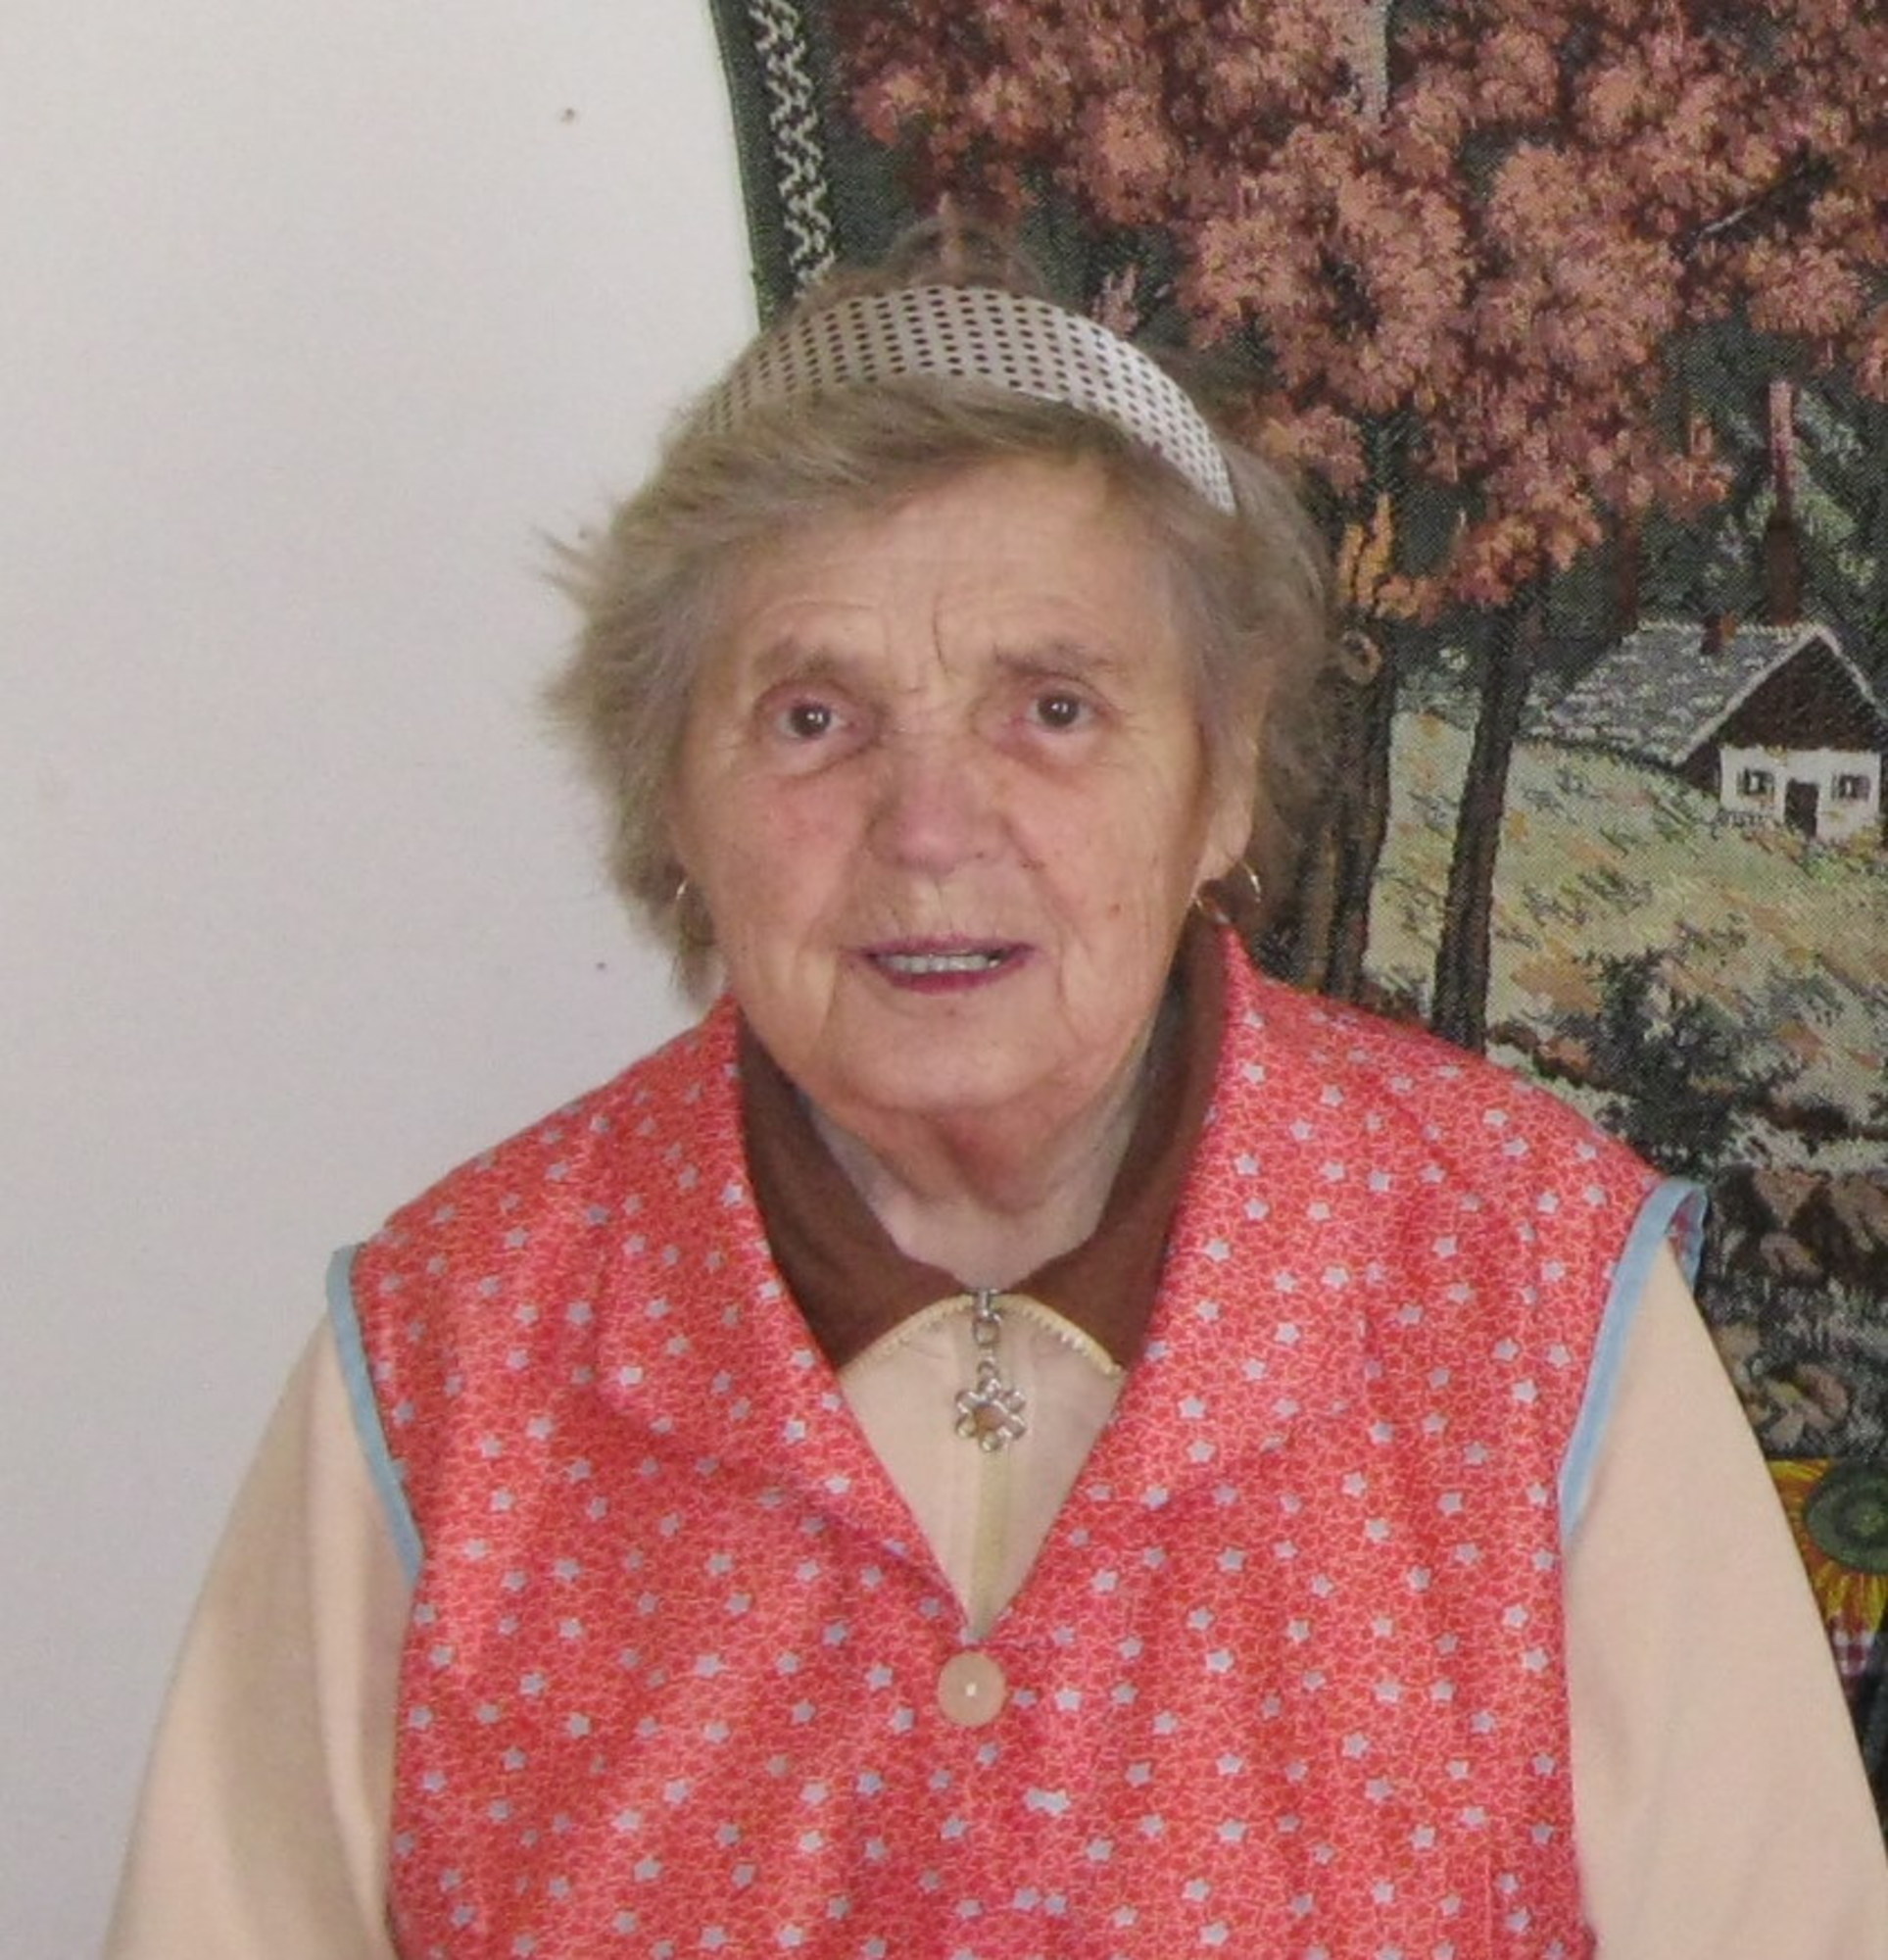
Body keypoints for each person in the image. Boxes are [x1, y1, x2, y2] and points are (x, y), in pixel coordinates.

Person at [107, 224, 1888, 1959]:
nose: (931, 829)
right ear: (672, 802)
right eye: (814, 720)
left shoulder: (1524, 1298)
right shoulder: (456, 1356)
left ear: (1221, 780)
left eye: (1051, 710)